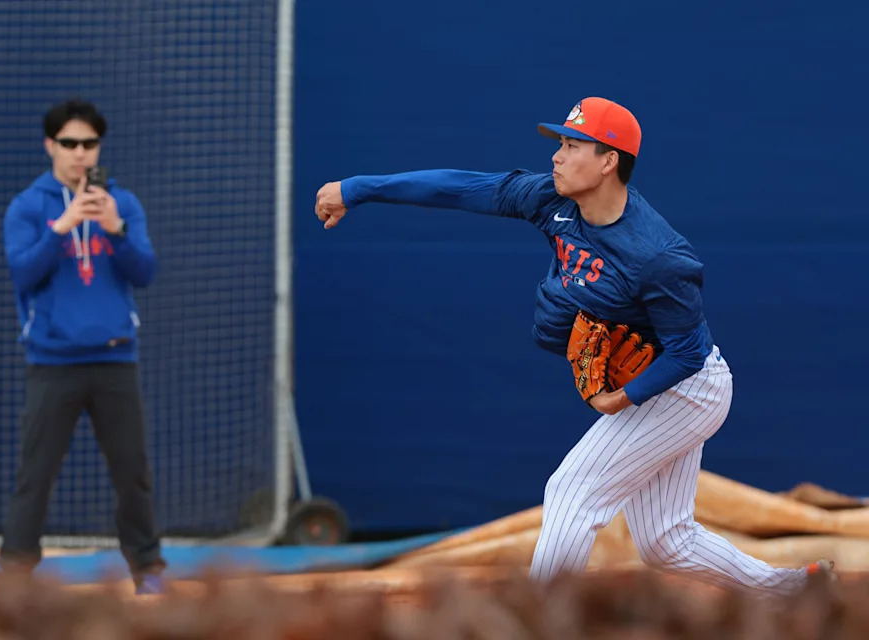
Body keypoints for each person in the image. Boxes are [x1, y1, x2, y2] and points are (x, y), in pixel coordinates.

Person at [314, 96, 834, 595]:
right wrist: (358, 189)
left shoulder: (658, 256)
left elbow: (686, 353)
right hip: (662, 386)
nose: (556, 155)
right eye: (560, 142)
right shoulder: (551, 200)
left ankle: (541, 622)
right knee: (665, 543)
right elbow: (460, 189)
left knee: (571, 492)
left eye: (572, 145)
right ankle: (793, 591)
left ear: (609, 161)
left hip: (687, 391)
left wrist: (620, 399)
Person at [1, 98, 165, 595]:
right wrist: (63, 226)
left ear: (99, 148)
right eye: (69, 143)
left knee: (133, 474)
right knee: (36, 476)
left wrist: (115, 230)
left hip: (115, 358)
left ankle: (148, 573)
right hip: (52, 362)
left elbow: (146, 272)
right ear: (50, 145)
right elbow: (23, 273)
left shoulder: (123, 203)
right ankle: (14, 580)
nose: (79, 153)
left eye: (89, 144)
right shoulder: (29, 206)